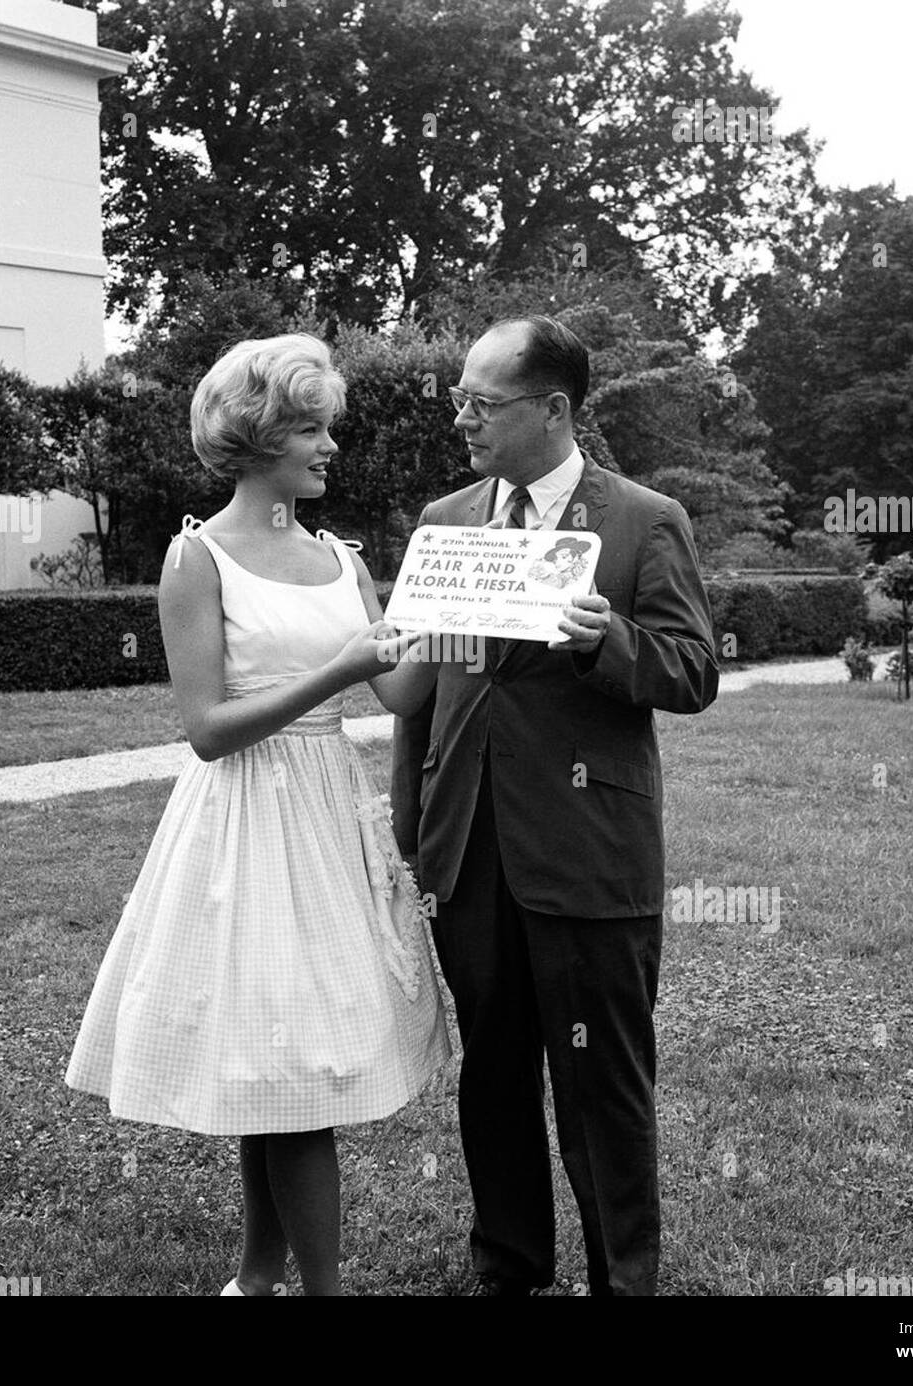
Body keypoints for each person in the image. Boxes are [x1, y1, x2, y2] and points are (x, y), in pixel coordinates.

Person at [65, 333, 451, 1297]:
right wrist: (340, 669)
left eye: (329, 428)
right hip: (244, 819)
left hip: (328, 818)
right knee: (286, 1070)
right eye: (313, 429)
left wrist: (458, 620)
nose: (330, 447)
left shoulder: (341, 559)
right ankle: (313, 1289)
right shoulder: (197, 558)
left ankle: (256, 1276)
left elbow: (399, 695)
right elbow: (206, 729)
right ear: (260, 437)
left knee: (282, 1070)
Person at [391, 315, 719, 1297]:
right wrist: (413, 819)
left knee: (601, 1085)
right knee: (490, 1073)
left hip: (587, 849)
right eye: (458, 400)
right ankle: (507, 1263)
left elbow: (693, 670)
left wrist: (606, 639)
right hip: (466, 849)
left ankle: (623, 1278)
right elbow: (425, 684)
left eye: (480, 404)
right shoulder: (444, 521)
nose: (461, 418)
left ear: (554, 409)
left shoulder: (642, 519)